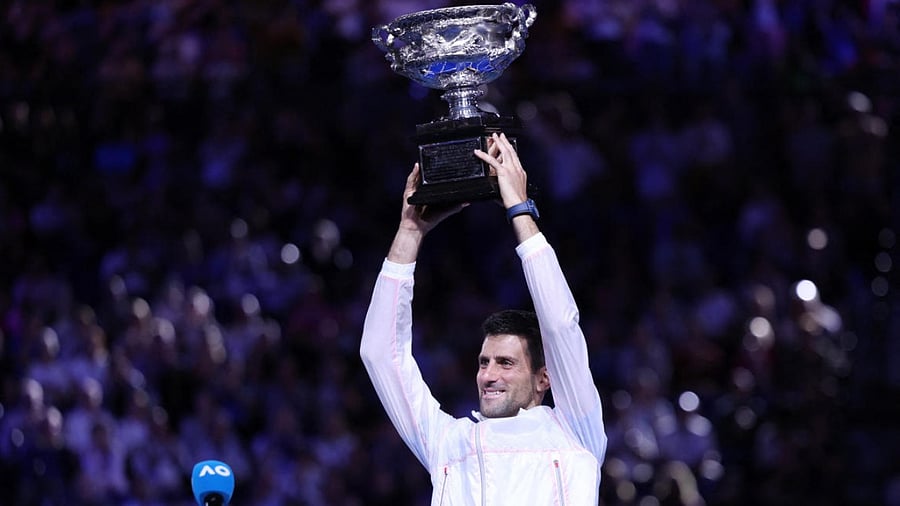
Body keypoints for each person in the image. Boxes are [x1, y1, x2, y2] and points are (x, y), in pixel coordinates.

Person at [360, 133, 607, 504]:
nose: (488, 375)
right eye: (484, 362)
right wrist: (409, 234)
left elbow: (559, 324)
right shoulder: (448, 443)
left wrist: (520, 209)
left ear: (544, 379)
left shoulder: (574, 431)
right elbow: (379, 353)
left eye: (506, 363)